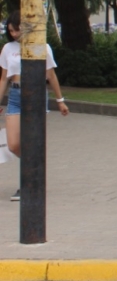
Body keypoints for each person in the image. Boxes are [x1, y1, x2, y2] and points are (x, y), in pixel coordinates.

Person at [0, 12, 70, 202]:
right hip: (15, 96)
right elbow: (3, 78)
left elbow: (51, 75)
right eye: (11, 31)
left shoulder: (41, 46)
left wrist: (60, 100)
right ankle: (35, 169)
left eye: (17, 29)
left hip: (36, 95)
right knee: (13, 144)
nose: (14, 34)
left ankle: (28, 183)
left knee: (32, 141)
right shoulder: (7, 48)